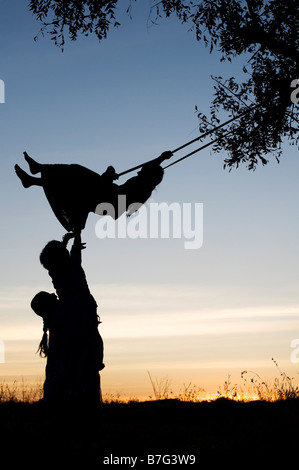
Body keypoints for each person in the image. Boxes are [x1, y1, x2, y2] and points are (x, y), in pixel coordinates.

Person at [14, 150, 172, 232]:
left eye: (142, 171)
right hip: (108, 197)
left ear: (148, 176)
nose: (139, 171)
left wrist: (108, 178)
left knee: (76, 173)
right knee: (72, 183)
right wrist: (161, 158)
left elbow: (117, 199)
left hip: (107, 200)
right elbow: (150, 168)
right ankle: (33, 179)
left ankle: (37, 172)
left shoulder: (142, 189)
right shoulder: (144, 183)